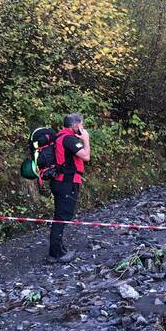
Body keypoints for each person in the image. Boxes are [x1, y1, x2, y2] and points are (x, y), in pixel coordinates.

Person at [48, 113, 91, 263]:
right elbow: (86, 156)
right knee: (62, 216)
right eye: (82, 124)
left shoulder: (59, 137)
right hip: (66, 182)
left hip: (59, 181)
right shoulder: (69, 139)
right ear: (75, 126)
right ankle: (55, 254)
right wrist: (86, 140)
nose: (83, 127)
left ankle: (59, 248)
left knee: (61, 214)